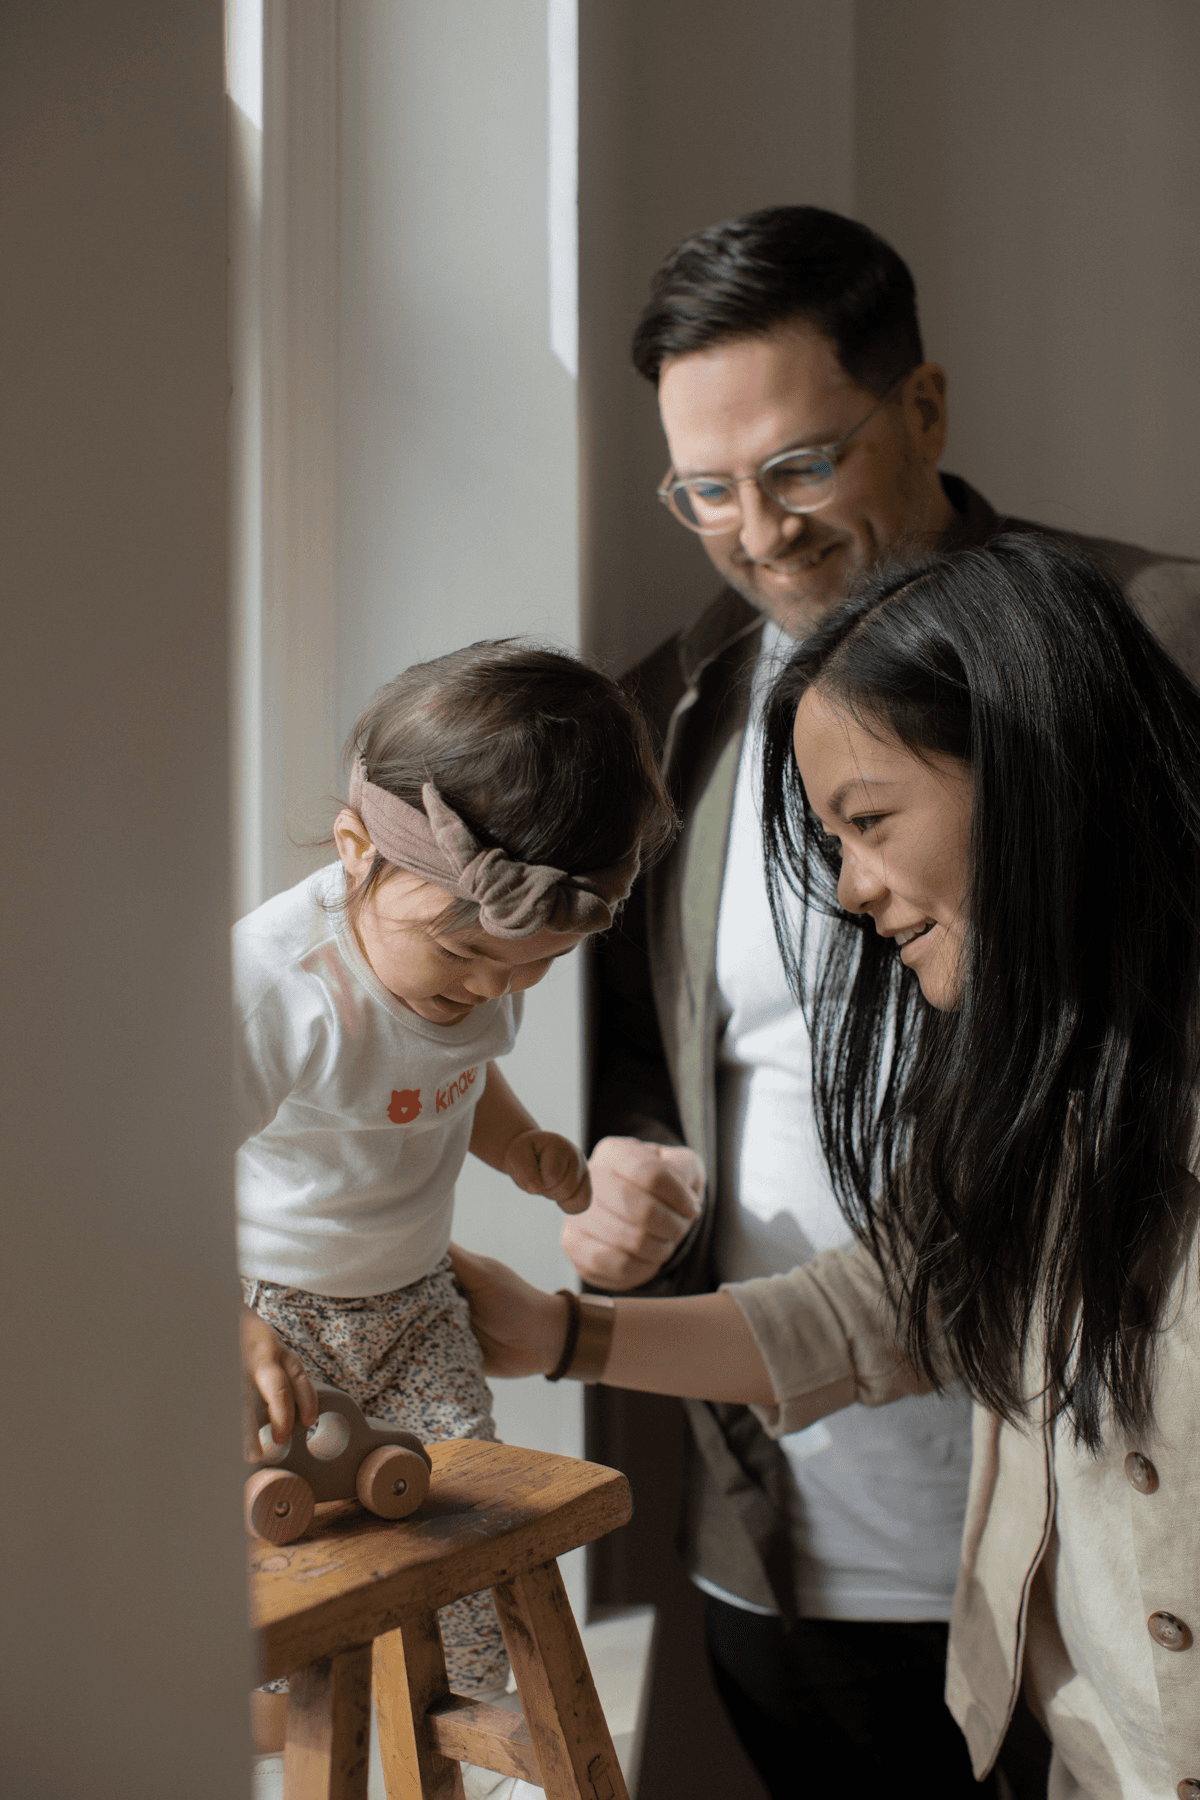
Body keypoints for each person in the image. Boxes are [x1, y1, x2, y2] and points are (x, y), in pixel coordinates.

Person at [569, 205, 1200, 1795]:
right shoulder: (680, 710)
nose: (756, 531)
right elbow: (671, 1069)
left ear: (922, 407)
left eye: (798, 467)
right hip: (807, 1508)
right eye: (705, 489)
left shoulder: (1150, 640)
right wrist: (616, 1193)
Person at [454, 534, 1200, 1800]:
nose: (850, 889)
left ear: (1038, 770)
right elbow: (875, 1309)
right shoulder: (1040, 1085)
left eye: (868, 823)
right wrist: (561, 1336)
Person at [235, 640, 675, 1763]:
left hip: (419, 1300)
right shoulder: (282, 994)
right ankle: (274, 1731)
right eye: (470, 955)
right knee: (299, 1557)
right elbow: (148, 1179)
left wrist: (518, 1142)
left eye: (535, 968)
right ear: (353, 849)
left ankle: (484, 1746)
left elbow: (457, 1069)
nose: (495, 989)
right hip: (275, 1315)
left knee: (463, 1522)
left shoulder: (479, 964)